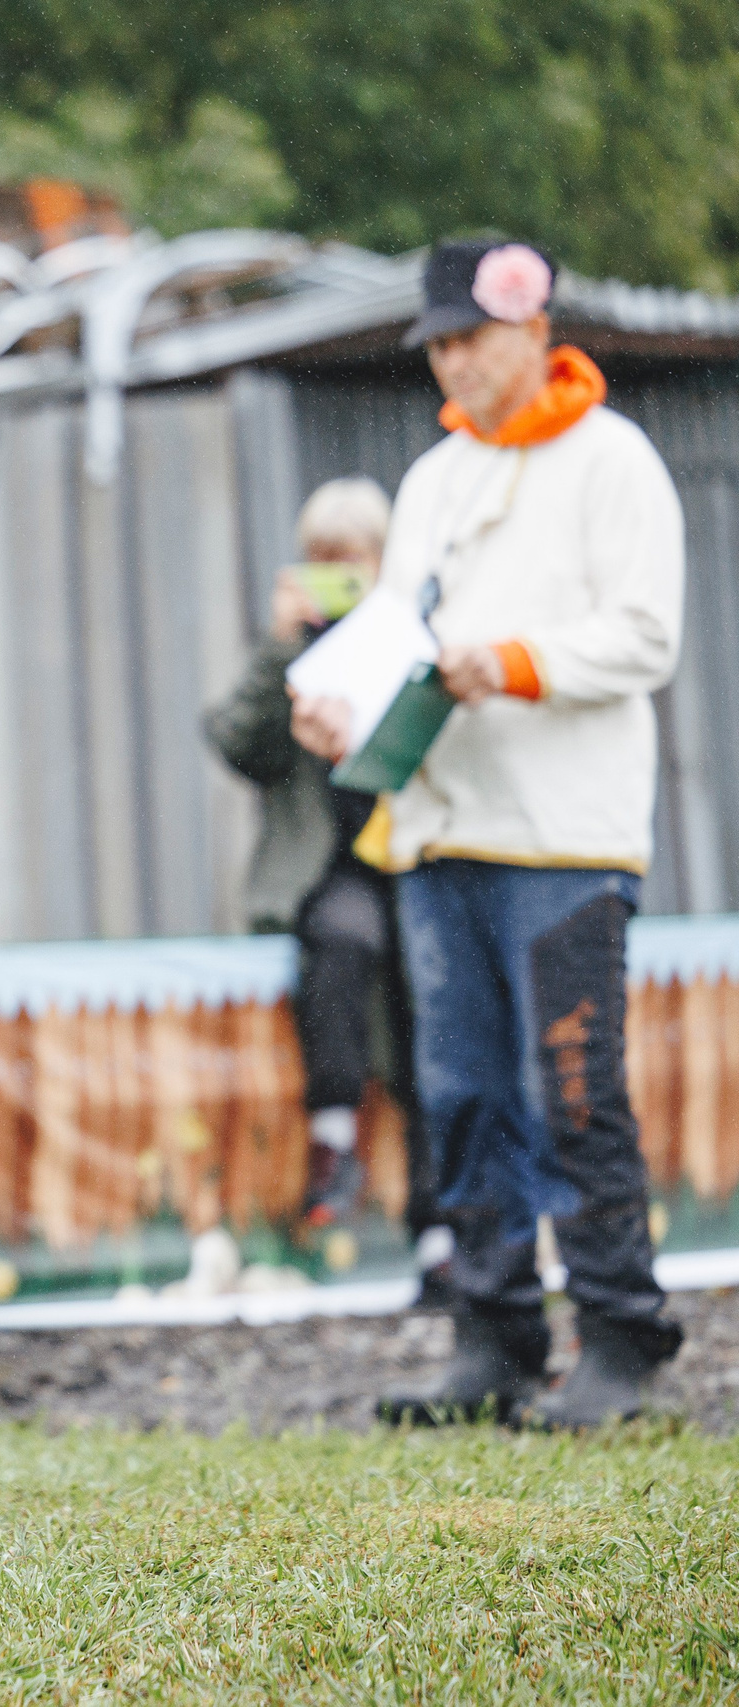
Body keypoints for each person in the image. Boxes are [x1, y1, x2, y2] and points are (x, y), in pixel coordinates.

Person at [292, 238, 685, 1428]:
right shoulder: (433, 480)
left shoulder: (613, 463)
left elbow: (645, 637)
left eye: (468, 338)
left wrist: (513, 663)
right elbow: (398, 641)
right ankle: (492, 1336)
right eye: (438, 344)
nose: (450, 362)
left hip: (564, 841)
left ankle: (617, 1338)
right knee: (458, 1093)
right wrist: (340, 710)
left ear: (532, 329)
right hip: (437, 833)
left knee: (569, 1091)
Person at [205, 478, 439, 1282]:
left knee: (425, 1012)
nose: (339, 578)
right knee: (347, 939)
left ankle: (441, 1235)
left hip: (411, 858)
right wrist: (280, 648)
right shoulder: (293, 655)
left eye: (353, 564)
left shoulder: (412, 642)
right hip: (327, 870)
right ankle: (333, 1132)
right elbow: (240, 745)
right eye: (324, 564)